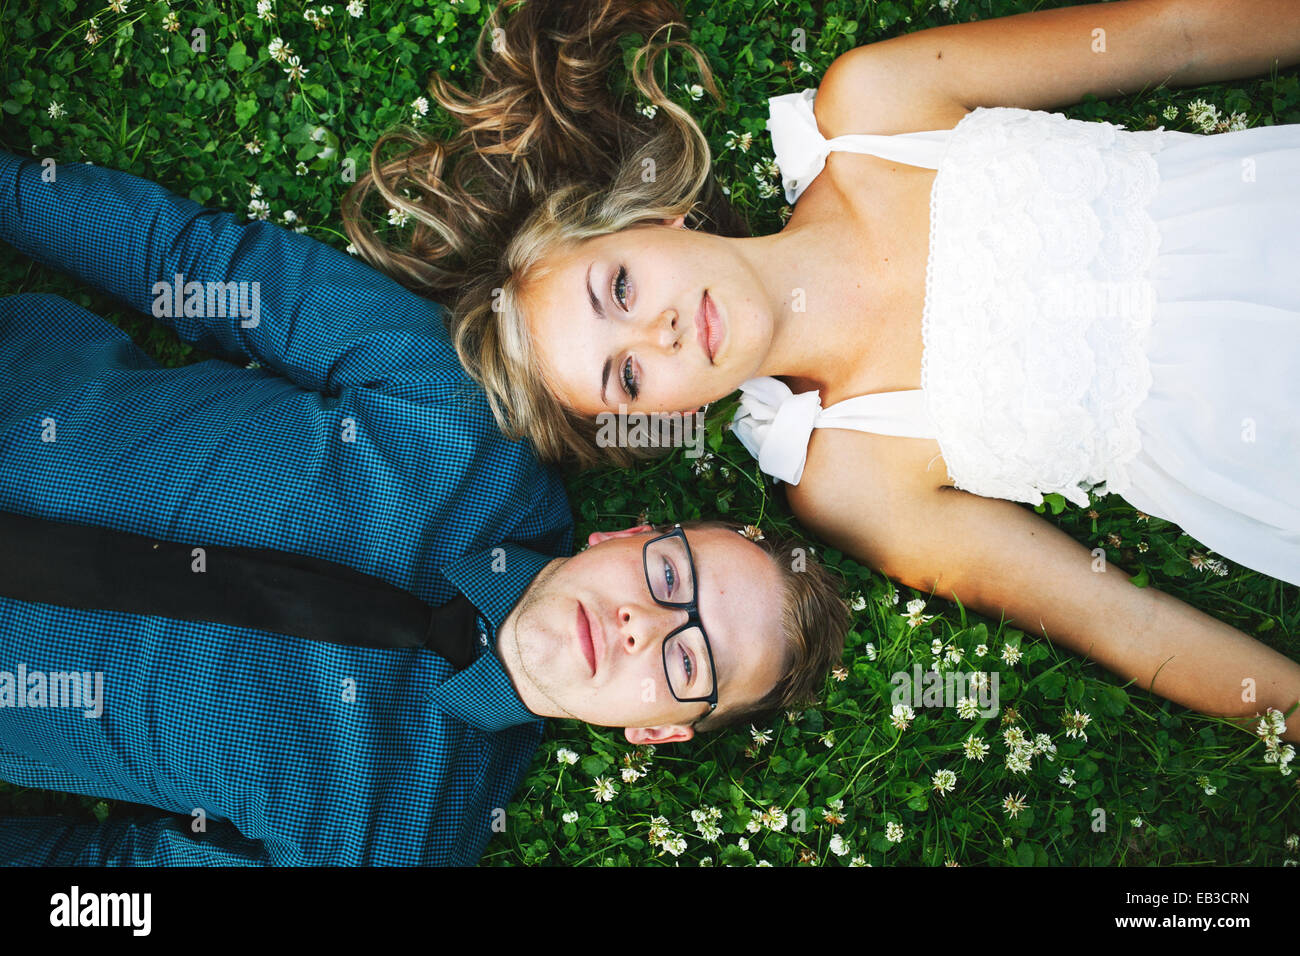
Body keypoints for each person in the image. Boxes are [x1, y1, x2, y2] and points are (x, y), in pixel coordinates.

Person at [348, 0, 1300, 742]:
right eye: (627, 378)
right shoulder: (851, 478)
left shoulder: (878, 105)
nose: (662, 333)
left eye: (622, 287)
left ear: (652, 219)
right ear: (663, 416)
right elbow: (1113, 618)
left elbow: (1168, 36)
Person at [0, 149, 849, 864]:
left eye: (687, 664)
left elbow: (103, 881)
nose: (644, 625)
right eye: (669, 575)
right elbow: (206, 266)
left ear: (660, 732)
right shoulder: (460, 413)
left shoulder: (394, 846)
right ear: (625, 535)